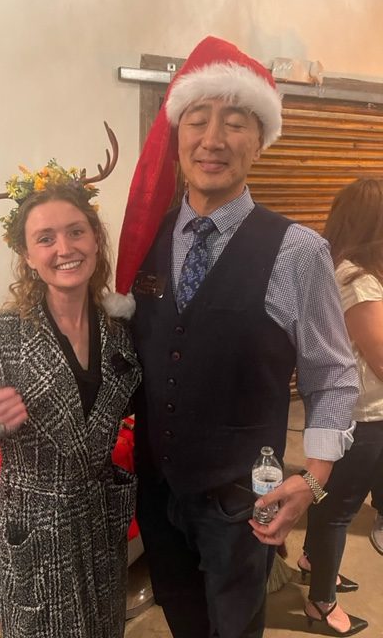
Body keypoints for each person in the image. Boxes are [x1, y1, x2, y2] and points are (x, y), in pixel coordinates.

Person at [107, 37, 359, 638]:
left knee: (235, 628)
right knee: (183, 619)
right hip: (159, 494)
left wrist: (313, 480)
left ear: (260, 139)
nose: (213, 139)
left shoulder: (298, 251)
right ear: (179, 135)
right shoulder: (149, 237)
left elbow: (333, 374)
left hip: (244, 505)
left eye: (235, 122)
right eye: (197, 120)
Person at [0, 127, 141, 638]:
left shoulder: (118, 332)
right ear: (26, 253)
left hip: (99, 522)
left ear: (95, 239)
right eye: (45, 238)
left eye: (76, 232)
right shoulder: (3, 335)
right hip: (37, 529)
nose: (64, 248)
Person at [299, 177, 383, 634]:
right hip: (363, 416)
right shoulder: (359, 281)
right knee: (340, 509)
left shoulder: (338, 267)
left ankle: (313, 562)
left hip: (342, 410)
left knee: (326, 496)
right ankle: (321, 604)